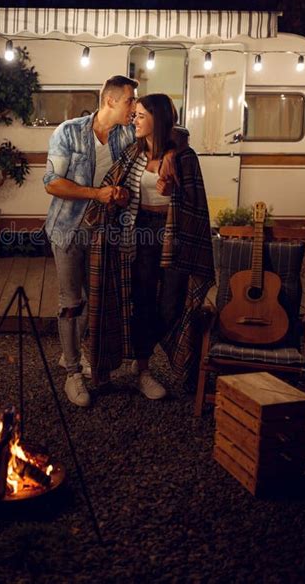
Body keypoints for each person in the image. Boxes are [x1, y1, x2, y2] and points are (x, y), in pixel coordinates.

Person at [85, 93, 215, 395]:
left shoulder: (184, 156)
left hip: (175, 236)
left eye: (141, 115)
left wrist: (171, 188)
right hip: (140, 233)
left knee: (172, 304)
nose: (135, 119)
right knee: (141, 300)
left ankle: (151, 353)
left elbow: (193, 203)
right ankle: (143, 368)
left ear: (158, 119)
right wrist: (119, 197)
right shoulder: (134, 153)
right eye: (135, 114)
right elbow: (114, 185)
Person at [43, 75, 139, 407]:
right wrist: (96, 194)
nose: (134, 107)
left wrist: (120, 194)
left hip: (104, 233)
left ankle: (80, 355)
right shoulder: (67, 132)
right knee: (71, 300)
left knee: (96, 299)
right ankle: (72, 373)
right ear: (111, 100)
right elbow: (52, 183)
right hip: (68, 229)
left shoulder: (128, 135)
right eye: (130, 101)